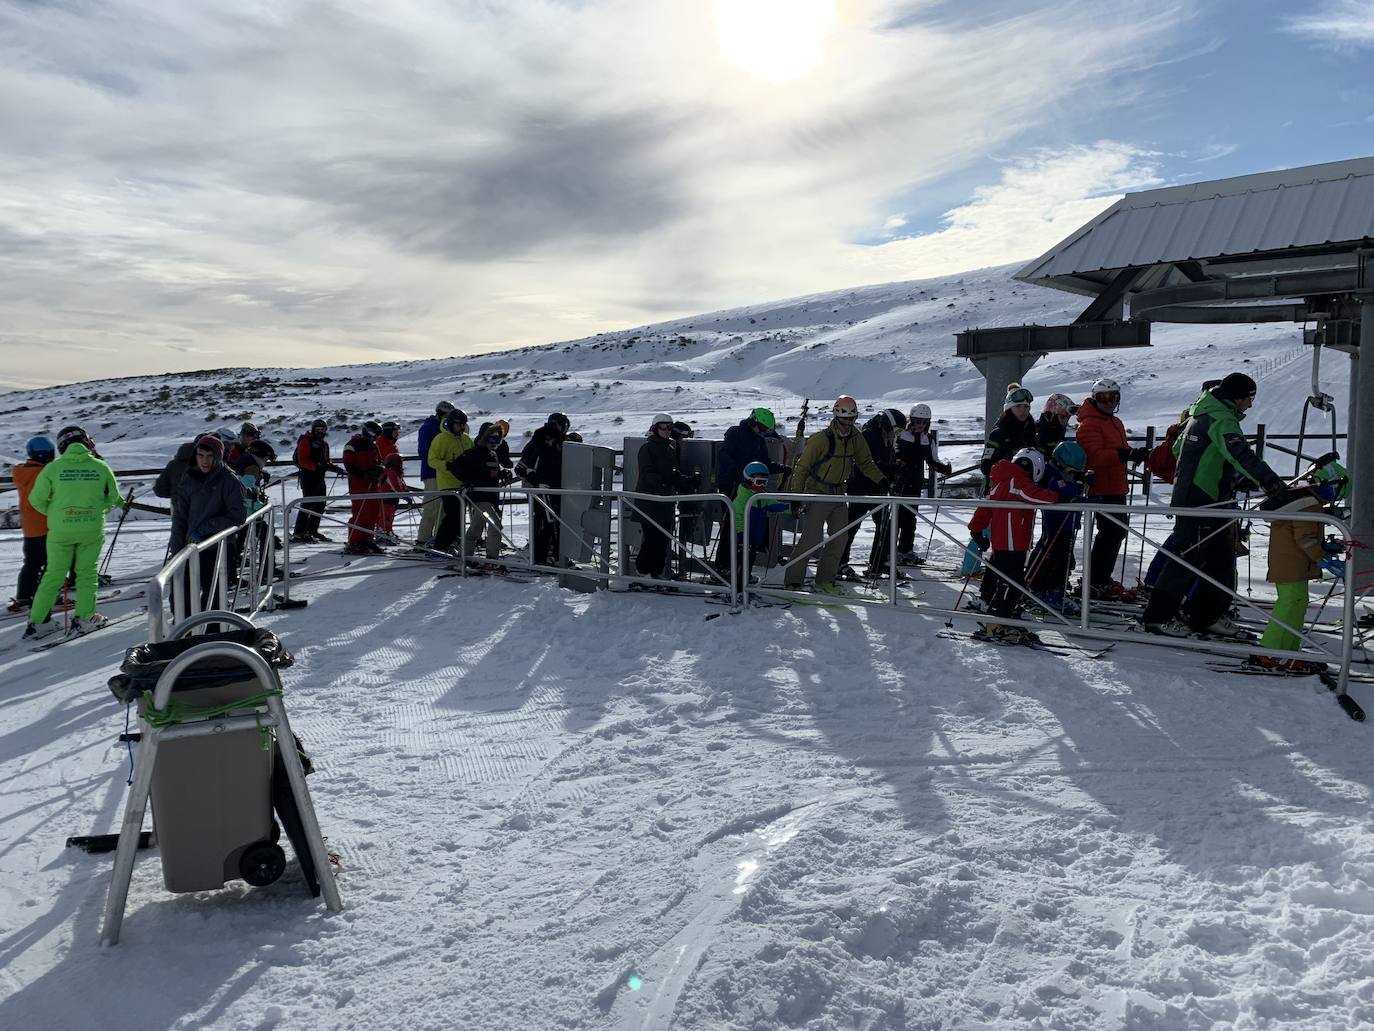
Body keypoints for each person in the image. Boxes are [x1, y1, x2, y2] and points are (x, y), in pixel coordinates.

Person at [1142, 373, 1284, 638]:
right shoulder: (1222, 418)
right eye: (1250, 398)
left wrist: (1224, 473)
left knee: (1219, 560)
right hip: (1200, 498)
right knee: (1188, 557)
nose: (1250, 405)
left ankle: (1203, 616)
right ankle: (1157, 618)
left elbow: (1177, 451)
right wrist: (1271, 482)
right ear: (1238, 397)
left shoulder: (1201, 414)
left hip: (1207, 496)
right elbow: (1239, 452)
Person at [22, 426, 126, 640]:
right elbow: (114, 497)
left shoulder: (52, 469)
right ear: (87, 442)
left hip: (60, 530)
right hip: (91, 529)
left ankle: (38, 623)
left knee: (53, 575)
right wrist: (100, 509)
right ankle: (85, 618)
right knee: (87, 574)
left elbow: (36, 500)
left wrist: (55, 513)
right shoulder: (100, 467)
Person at [783, 396, 887, 592]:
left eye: (852, 419)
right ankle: (793, 581)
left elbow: (865, 462)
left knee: (839, 539)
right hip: (817, 493)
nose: (848, 424)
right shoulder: (821, 439)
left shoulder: (856, 438)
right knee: (811, 540)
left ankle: (825, 580)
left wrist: (881, 480)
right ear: (836, 417)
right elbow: (802, 468)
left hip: (839, 494)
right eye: (845, 420)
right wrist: (796, 497)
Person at [1251, 463, 1348, 673]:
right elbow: (1305, 539)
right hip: (1291, 565)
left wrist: (1325, 548)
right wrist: (1324, 558)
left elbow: (1305, 535)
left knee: (1297, 605)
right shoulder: (1308, 504)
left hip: (1292, 564)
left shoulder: (1305, 501)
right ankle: (1271, 652)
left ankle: (1288, 652)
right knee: (1288, 607)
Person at [967, 447, 1063, 644]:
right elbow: (1034, 496)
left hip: (1007, 543)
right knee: (1012, 583)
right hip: (1012, 544)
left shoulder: (1001, 482)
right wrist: (1059, 497)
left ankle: (1001, 614)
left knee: (1006, 580)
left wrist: (977, 530)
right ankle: (997, 621)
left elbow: (985, 507)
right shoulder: (1016, 482)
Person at [1075, 377, 1148, 600]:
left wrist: (1132, 453)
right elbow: (1094, 457)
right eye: (1102, 398)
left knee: (1116, 533)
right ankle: (1094, 580)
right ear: (1094, 399)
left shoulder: (1114, 422)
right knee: (1111, 533)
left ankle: (1099, 578)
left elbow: (1119, 450)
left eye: (1112, 397)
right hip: (1102, 488)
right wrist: (1124, 455)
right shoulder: (1089, 424)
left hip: (1116, 486)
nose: (1107, 402)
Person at [169, 434, 248, 614]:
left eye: (209, 456)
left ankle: (212, 631)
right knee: (181, 593)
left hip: (217, 548)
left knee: (213, 596)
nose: (204, 461)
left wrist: (204, 529)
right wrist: (177, 548)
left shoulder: (229, 480)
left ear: (218, 457)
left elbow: (238, 515)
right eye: (200, 455)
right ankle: (185, 631)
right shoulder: (189, 478)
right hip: (190, 547)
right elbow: (180, 517)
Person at [713, 408, 787, 568]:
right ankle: (723, 567)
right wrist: (733, 470)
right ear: (753, 422)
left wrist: (780, 468)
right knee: (731, 527)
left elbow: (764, 463)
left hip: (750, 489)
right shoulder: (735, 433)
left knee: (749, 529)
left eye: (767, 430)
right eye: (762, 428)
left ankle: (742, 569)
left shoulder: (759, 441)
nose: (764, 432)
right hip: (732, 486)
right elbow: (724, 454)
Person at [1024, 441, 1090, 611]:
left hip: (1067, 523)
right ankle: (1052, 592)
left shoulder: (1061, 474)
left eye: (1076, 472)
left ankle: (1038, 586)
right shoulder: (1053, 478)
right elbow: (1064, 494)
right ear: (1059, 463)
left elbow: (1070, 484)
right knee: (1058, 559)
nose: (1072, 475)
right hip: (1057, 524)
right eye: (1071, 471)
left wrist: (1080, 479)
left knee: (1058, 557)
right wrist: (1082, 498)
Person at [840, 408, 905, 577]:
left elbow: (886, 460)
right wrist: (888, 470)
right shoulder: (869, 436)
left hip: (879, 489)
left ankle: (879, 562)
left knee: (886, 526)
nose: (896, 434)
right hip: (861, 488)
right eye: (896, 430)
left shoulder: (886, 437)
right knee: (852, 525)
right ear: (886, 425)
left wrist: (894, 472)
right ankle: (840, 562)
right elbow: (868, 463)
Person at [634, 414, 699, 579]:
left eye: (670, 427)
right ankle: (642, 573)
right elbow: (647, 472)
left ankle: (656, 574)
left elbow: (673, 474)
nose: (667, 430)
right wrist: (661, 483)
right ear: (655, 428)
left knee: (663, 540)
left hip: (665, 502)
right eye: (663, 427)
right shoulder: (647, 448)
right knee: (652, 540)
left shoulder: (670, 448)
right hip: (650, 501)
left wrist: (688, 482)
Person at [892, 404, 952, 565]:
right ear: (911, 420)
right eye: (918, 421)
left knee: (910, 518)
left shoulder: (928, 439)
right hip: (899, 482)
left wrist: (944, 469)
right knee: (896, 518)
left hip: (915, 482)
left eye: (924, 422)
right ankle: (889, 551)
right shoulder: (900, 435)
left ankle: (905, 550)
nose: (921, 425)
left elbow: (932, 461)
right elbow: (892, 455)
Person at [453, 422, 514, 563]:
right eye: (492, 439)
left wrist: (502, 474)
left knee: (475, 528)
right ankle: (492, 560)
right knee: (495, 526)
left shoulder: (492, 455)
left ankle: (466, 556)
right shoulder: (472, 454)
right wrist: (467, 480)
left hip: (490, 498)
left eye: (498, 439)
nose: (495, 442)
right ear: (484, 437)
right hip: (479, 499)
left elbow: (491, 474)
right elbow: (455, 466)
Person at [9, 436, 55, 613]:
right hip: (46, 524)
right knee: (52, 564)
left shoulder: (21, 472)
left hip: (29, 528)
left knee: (31, 563)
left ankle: (24, 595)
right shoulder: (45, 473)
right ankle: (49, 596)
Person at [518, 413, 571, 565]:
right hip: (542, 491)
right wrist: (536, 480)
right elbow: (521, 468)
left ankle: (558, 555)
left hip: (559, 490)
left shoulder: (562, 444)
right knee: (545, 524)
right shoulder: (538, 442)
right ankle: (541, 557)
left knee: (560, 523)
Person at [730, 461, 789, 592]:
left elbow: (774, 505)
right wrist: (741, 535)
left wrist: (790, 508)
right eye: (759, 482)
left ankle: (745, 586)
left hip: (755, 538)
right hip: (743, 539)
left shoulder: (761, 496)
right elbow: (737, 518)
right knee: (741, 565)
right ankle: (737, 591)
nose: (762, 486)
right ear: (749, 480)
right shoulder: (743, 498)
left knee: (749, 563)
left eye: (764, 482)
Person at [291, 419, 345, 543]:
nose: (320, 431)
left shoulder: (323, 444)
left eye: (323, 429)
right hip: (308, 477)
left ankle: (312, 530)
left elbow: (325, 462)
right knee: (307, 504)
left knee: (320, 504)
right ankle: (299, 533)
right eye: (318, 429)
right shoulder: (305, 440)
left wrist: (336, 469)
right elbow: (302, 460)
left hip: (319, 477)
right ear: (313, 429)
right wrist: (317, 466)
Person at [429, 408, 474, 555]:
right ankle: (440, 546)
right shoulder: (440, 439)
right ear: (450, 423)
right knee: (453, 516)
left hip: (464, 483)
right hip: (448, 484)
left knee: (460, 516)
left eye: (463, 425)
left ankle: (453, 542)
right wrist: (447, 465)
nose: (462, 427)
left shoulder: (466, 439)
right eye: (459, 424)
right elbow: (432, 460)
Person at [342, 421, 386, 554]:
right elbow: (348, 465)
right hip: (358, 485)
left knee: (373, 513)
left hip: (372, 484)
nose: (376, 438)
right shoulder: (352, 444)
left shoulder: (372, 445)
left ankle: (367, 539)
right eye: (375, 435)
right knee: (361, 513)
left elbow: (379, 461)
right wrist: (365, 473)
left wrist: (379, 469)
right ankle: (354, 541)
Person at [415, 401, 455, 550]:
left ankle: (439, 539)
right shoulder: (428, 428)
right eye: (447, 416)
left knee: (442, 509)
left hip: (444, 474)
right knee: (431, 507)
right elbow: (424, 452)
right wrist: (441, 460)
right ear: (440, 414)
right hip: (432, 473)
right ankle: (423, 539)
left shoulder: (443, 428)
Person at [979, 384, 1038, 480]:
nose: (1023, 410)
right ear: (1009, 408)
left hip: (1027, 484)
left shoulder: (1030, 431)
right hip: (1002, 488)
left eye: (1026, 407)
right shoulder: (998, 433)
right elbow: (985, 467)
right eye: (1018, 406)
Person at [376, 420, 402, 544]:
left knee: (392, 507)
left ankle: (388, 530)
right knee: (385, 508)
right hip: (385, 480)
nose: (397, 433)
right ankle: (381, 532)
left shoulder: (393, 444)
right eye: (395, 431)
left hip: (393, 477)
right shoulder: (380, 443)